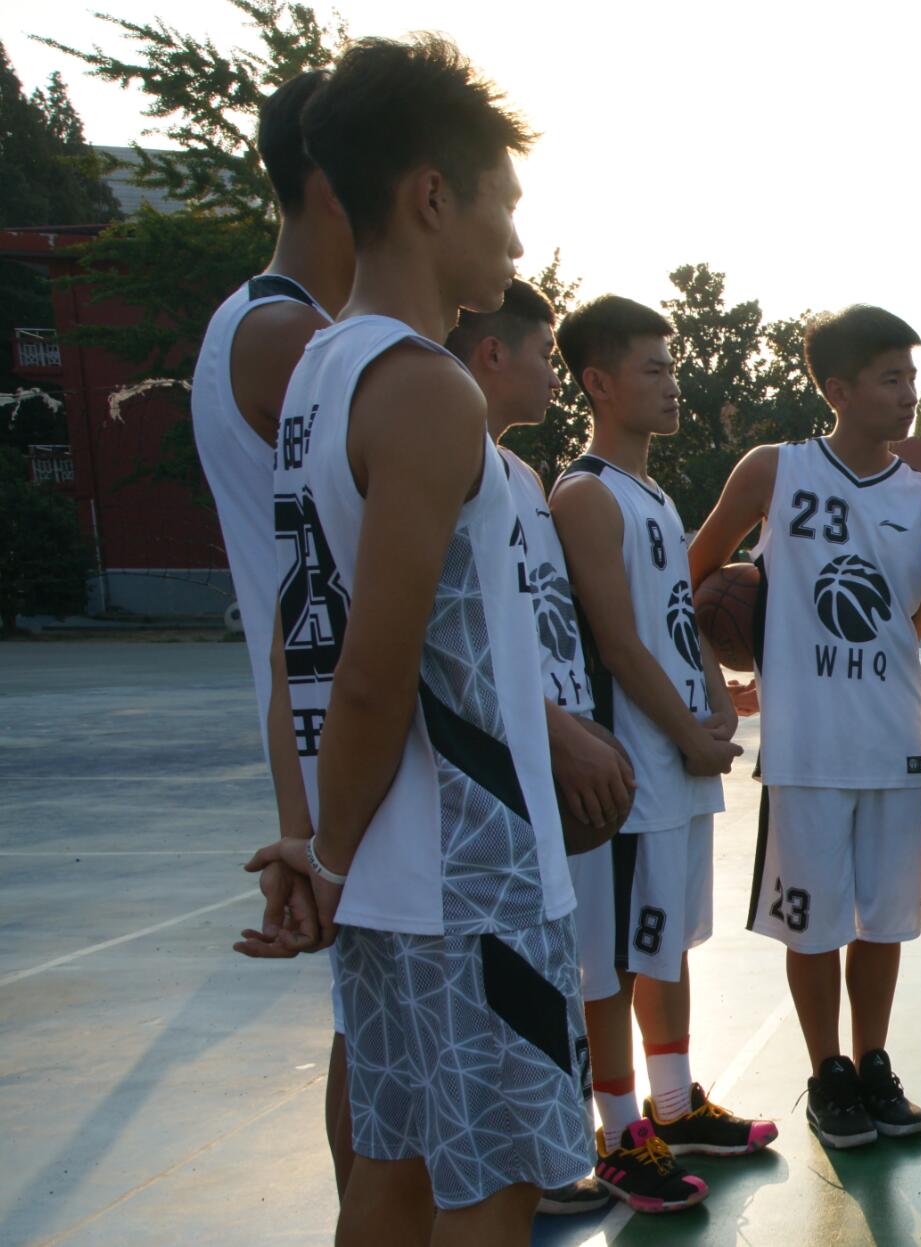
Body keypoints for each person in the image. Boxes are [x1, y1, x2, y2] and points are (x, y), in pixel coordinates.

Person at [260, 36, 591, 1244]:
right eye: (503, 206)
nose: (513, 242)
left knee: (390, 1178)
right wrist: (326, 859)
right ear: (432, 194)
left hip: (392, 881)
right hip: (471, 874)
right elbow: (374, 674)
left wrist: (320, 850)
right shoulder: (425, 388)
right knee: (492, 1190)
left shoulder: (317, 372)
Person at [685, 305, 921, 1149]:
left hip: (893, 740)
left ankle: (872, 1061)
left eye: (913, 374)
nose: (909, 392)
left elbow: (913, 617)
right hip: (805, 747)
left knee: (886, 921)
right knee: (814, 922)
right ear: (837, 389)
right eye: (889, 377)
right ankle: (826, 1069)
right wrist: (722, 670)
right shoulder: (774, 471)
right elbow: (693, 571)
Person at [552, 295, 771, 1211]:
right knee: (612, 961)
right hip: (629, 776)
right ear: (599, 382)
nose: (673, 384)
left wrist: (720, 698)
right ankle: (615, 1131)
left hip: (675, 768)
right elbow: (613, 641)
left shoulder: (654, 493)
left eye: (673, 367)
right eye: (654, 368)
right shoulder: (585, 494)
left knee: (667, 944)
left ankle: (673, 1106)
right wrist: (683, 732)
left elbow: (673, 625)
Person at [443, 279, 639, 1217]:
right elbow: (457, 640)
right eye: (540, 355)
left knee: (554, 972)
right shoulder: (445, 463)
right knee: (492, 994)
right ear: (490, 355)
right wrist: (557, 732)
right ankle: (521, 1169)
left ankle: (555, 1153)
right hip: (487, 781)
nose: (552, 377)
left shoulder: (521, 479)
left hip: (552, 764)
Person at [193, 69, 356, 1192]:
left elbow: (287, 612)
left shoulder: (282, 326)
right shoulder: (293, 339)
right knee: (393, 1030)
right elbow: (337, 605)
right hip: (362, 735)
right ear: (330, 172)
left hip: (334, 732)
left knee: (388, 1022)